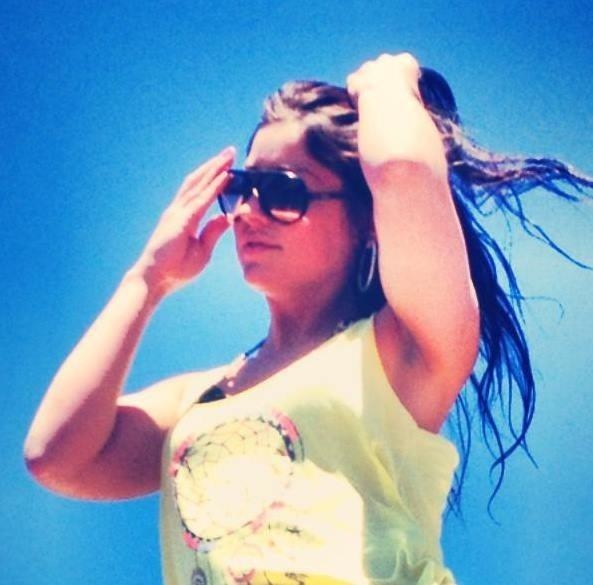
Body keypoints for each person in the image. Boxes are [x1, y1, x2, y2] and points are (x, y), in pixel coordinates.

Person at [24, 54, 593, 585]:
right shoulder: (199, 399)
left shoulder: (401, 350)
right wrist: (147, 280)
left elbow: (402, 168)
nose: (247, 212)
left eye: (281, 191)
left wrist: (388, 81)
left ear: (366, 218)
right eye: (242, 188)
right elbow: (57, 458)